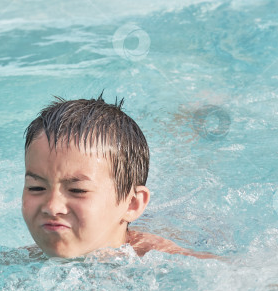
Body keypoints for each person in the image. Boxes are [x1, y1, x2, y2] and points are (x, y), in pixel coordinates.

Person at [21, 93, 220, 260]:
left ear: (132, 204)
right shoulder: (17, 262)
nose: (52, 207)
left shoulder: (165, 260)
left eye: (77, 190)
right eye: (36, 187)